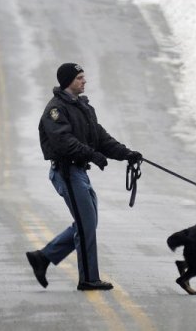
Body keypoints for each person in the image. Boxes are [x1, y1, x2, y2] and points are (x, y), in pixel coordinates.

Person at [26, 63, 143, 291]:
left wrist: (127, 154)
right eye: (80, 77)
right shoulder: (56, 110)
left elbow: (100, 137)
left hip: (79, 171)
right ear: (69, 81)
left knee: (88, 223)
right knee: (86, 223)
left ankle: (43, 257)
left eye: (83, 77)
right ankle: (88, 278)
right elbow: (64, 142)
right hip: (67, 172)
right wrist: (92, 155)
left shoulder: (83, 107)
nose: (84, 81)